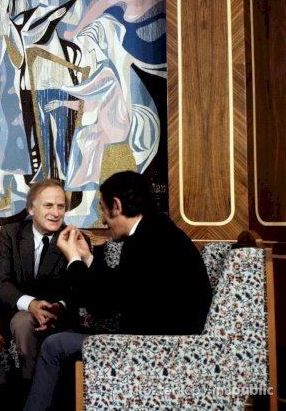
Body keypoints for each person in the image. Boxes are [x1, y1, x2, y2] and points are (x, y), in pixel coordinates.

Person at [24, 170, 213, 410]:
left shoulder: (147, 241)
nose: (103, 220)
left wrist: (73, 260)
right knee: (66, 338)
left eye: (103, 210)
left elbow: (102, 307)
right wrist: (87, 257)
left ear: (117, 205)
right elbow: (120, 286)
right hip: (160, 339)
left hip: (157, 347)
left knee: (54, 345)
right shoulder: (154, 230)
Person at [0, 178, 84, 408]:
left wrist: (58, 307)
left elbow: (79, 291)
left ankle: (31, 396)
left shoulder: (76, 239)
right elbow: (0, 281)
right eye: (48, 205)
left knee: (23, 322)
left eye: (61, 206)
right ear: (32, 208)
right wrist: (30, 303)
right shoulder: (11, 233)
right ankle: (0, 395)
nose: (56, 213)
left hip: (52, 312)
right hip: (9, 305)